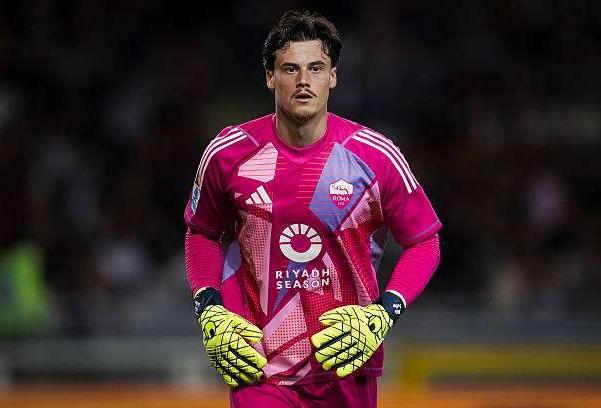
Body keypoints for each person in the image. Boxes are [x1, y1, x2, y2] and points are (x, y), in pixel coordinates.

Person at [184, 10, 442, 408]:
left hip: (346, 363)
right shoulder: (228, 153)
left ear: (333, 76)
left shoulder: (375, 157)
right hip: (258, 367)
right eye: (290, 69)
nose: (303, 80)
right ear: (270, 77)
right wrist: (208, 306)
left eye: (316, 68)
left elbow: (424, 242)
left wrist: (385, 312)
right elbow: (201, 232)